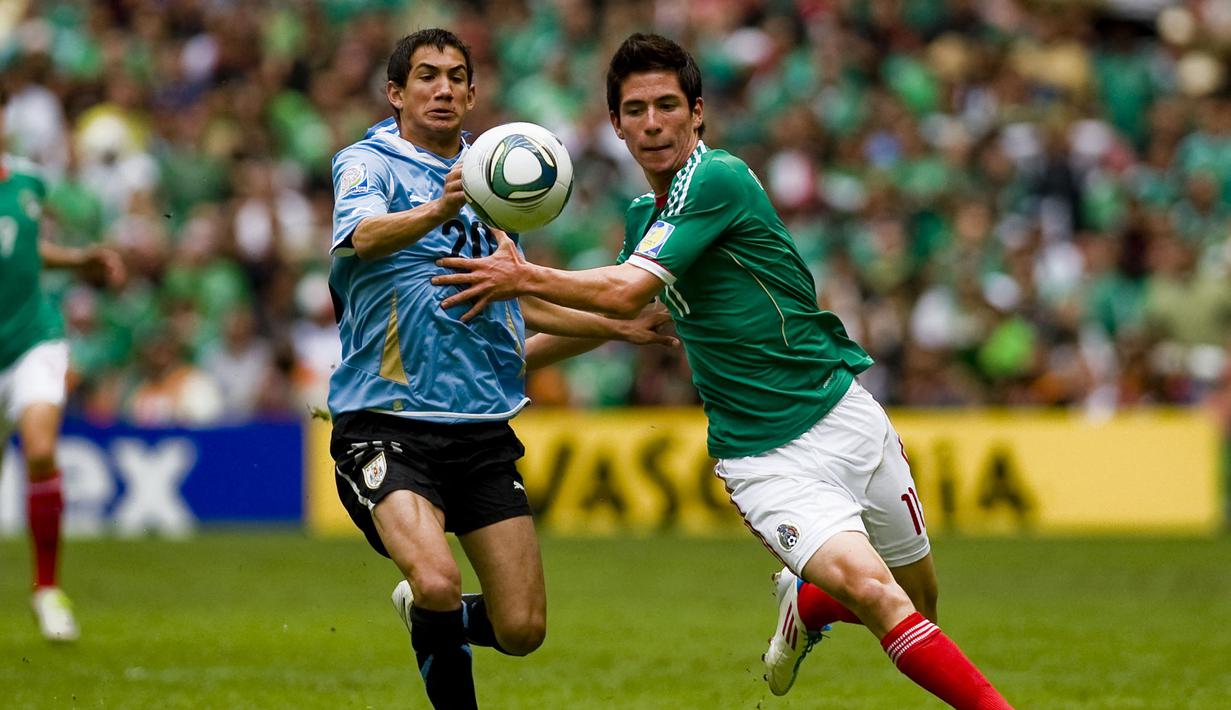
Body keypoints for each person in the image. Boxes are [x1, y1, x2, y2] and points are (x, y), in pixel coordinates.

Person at [432, 33, 1013, 709]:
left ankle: (809, 604)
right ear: (615, 125)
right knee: (883, 599)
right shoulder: (645, 218)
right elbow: (625, 315)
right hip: (765, 460)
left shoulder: (719, 179)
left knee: (919, 605)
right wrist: (498, 374)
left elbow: (621, 291)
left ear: (697, 112)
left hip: (843, 412)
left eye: (667, 106)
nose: (653, 123)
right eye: (636, 110)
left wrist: (524, 276)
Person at [327, 29, 676, 710]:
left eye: (457, 76)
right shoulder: (369, 162)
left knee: (521, 629)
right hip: (386, 422)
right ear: (395, 94)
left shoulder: (497, 178)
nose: (444, 88)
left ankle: (431, 620)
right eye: (426, 76)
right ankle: (434, 617)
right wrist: (442, 205)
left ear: (473, 92)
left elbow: (517, 305)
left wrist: (615, 327)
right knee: (433, 578)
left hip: (480, 431)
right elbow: (361, 237)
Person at [0, 88, 125, 642]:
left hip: (34, 337)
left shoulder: (27, 181)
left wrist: (77, 260)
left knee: (43, 449)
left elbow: (26, 247)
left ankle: (47, 590)